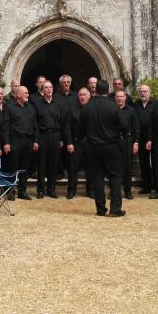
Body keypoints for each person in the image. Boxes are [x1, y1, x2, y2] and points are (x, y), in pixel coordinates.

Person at [78, 79, 128, 217]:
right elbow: (124, 126)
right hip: (111, 146)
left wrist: (83, 138)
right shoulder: (113, 107)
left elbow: (80, 131)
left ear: (95, 90)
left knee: (97, 178)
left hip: (93, 147)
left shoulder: (86, 107)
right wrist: (122, 135)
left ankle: (100, 209)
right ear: (107, 90)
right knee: (116, 176)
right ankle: (115, 209)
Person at [2, 85, 39, 200]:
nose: (28, 95)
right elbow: (5, 126)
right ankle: (10, 191)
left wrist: (35, 141)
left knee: (25, 167)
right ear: (18, 94)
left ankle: (22, 191)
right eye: (26, 93)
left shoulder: (31, 108)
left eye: (28, 93)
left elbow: (35, 126)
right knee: (12, 167)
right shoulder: (9, 107)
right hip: (14, 141)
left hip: (28, 141)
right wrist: (6, 143)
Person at [63, 87, 93, 199]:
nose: (82, 97)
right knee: (72, 169)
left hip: (90, 144)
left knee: (91, 168)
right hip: (76, 144)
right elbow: (67, 128)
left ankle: (90, 191)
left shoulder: (93, 109)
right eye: (80, 95)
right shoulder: (72, 110)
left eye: (84, 95)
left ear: (89, 96)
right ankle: (71, 190)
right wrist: (69, 142)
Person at [34, 80, 63, 198]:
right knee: (41, 164)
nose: (49, 89)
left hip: (55, 136)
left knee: (53, 164)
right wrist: (36, 140)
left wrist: (61, 138)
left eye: (51, 87)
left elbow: (62, 122)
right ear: (43, 89)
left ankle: (51, 189)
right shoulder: (37, 104)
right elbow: (35, 124)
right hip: (42, 136)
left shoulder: (58, 104)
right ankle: (40, 190)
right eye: (46, 87)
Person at [114, 90, 139, 199]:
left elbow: (137, 128)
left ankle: (127, 191)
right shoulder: (111, 110)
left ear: (125, 98)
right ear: (115, 98)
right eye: (117, 96)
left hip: (128, 141)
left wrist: (136, 142)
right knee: (114, 167)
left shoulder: (132, 111)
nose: (119, 98)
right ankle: (114, 191)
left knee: (128, 167)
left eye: (121, 96)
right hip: (114, 141)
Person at [133, 84, 156, 194]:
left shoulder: (156, 104)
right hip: (141, 138)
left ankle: (157, 185)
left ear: (149, 92)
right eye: (141, 91)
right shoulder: (135, 104)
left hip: (154, 138)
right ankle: (146, 186)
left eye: (145, 91)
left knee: (156, 162)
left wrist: (151, 138)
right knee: (144, 163)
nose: (143, 93)